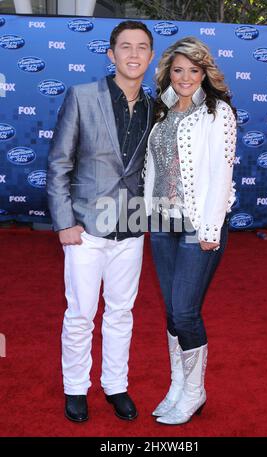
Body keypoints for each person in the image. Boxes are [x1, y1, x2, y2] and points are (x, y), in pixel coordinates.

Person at [47, 20, 154, 422]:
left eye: (141, 47)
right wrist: (63, 223)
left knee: (122, 313)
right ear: (111, 54)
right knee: (79, 314)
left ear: (150, 55)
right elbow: (59, 162)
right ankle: (76, 388)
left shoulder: (153, 107)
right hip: (85, 228)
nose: (132, 54)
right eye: (124, 46)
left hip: (131, 226)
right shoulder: (83, 95)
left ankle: (115, 385)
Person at [143, 36, 236, 425]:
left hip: (199, 226)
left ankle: (195, 392)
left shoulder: (219, 113)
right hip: (162, 224)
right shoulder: (160, 111)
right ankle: (177, 386)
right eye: (178, 70)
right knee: (171, 312)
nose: (184, 78)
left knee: (185, 311)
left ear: (205, 73)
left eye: (193, 71)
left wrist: (210, 228)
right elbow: (151, 169)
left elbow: (221, 174)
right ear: (168, 72)